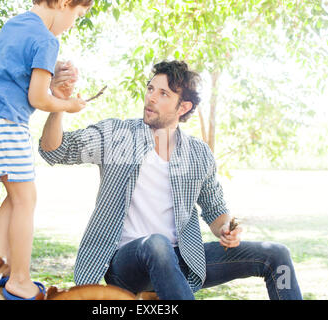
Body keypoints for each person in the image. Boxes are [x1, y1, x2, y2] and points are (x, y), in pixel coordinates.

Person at [39, 60, 303, 300]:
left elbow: (215, 210)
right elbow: (55, 150)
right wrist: (58, 106)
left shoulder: (198, 154)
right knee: (157, 244)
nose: (150, 98)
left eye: (163, 93)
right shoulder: (117, 135)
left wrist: (225, 229)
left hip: (185, 258)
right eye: (150, 89)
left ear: (184, 107)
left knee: (276, 256)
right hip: (126, 262)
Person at [0, 0, 93, 300]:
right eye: (77, 15)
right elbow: (38, 97)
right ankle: (20, 280)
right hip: (3, 120)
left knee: (15, 195)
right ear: (62, 3)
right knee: (26, 198)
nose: (73, 23)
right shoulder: (47, 39)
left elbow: (18, 66)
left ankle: (0, 264)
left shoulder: (16, 24)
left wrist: (54, 68)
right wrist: (69, 105)